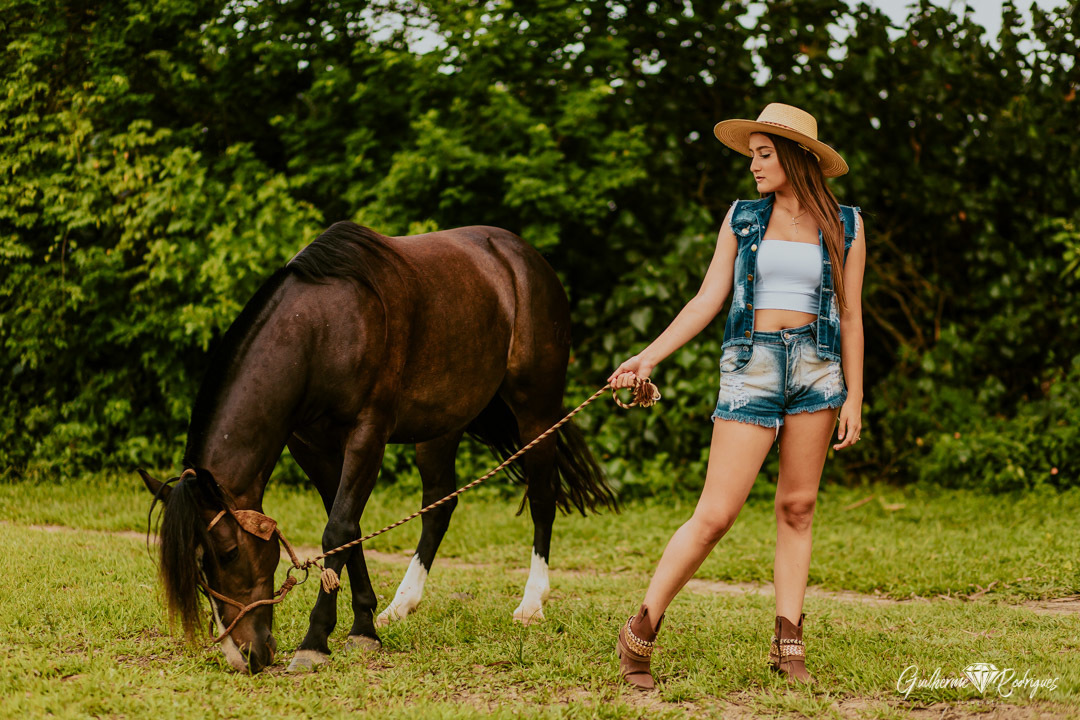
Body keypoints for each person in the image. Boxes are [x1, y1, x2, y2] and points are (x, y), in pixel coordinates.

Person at [609, 103, 865, 689]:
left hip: (819, 371)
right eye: (752, 154)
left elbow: (851, 313)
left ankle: (788, 643)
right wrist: (648, 356)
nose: (753, 165)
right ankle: (640, 629)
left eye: (764, 154)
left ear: (796, 157)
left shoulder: (846, 224)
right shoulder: (743, 217)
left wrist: (854, 395)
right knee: (716, 514)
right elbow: (707, 298)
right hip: (753, 367)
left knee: (797, 508)